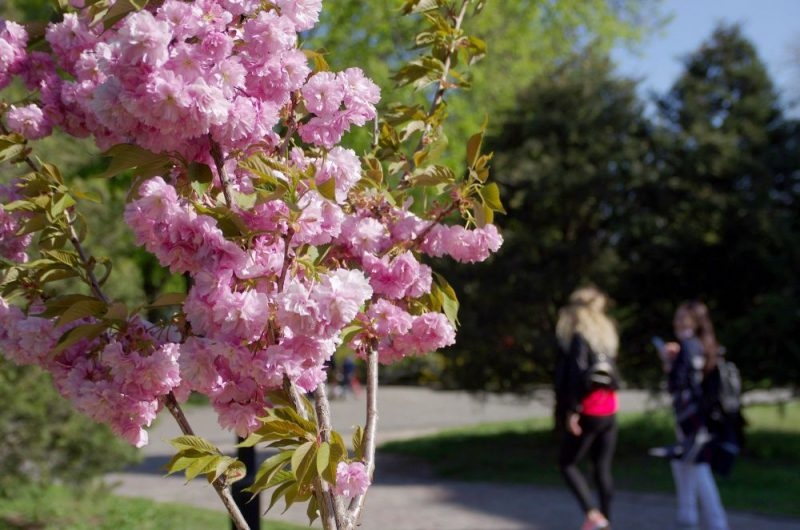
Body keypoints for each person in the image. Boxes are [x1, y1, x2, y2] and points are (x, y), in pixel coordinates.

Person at [658, 300, 730, 530]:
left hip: (691, 418)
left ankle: (716, 522)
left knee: (698, 467)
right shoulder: (705, 344)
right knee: (683, 463)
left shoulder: (688, 345)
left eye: (682, 318)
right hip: (702, 417)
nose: (677, 322)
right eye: (676, 317)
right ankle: (687, 516)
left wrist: (668, 363)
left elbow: (677, 383)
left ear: (694, 321)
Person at [554, 287, 620, 530]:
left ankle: (593, 514)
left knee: (566, 463)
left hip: (588, 410)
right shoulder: (606, 335)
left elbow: (575, 376)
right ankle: (607, 521)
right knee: (602, 468)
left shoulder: (580, 336)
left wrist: (572, 411)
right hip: (610, 408)